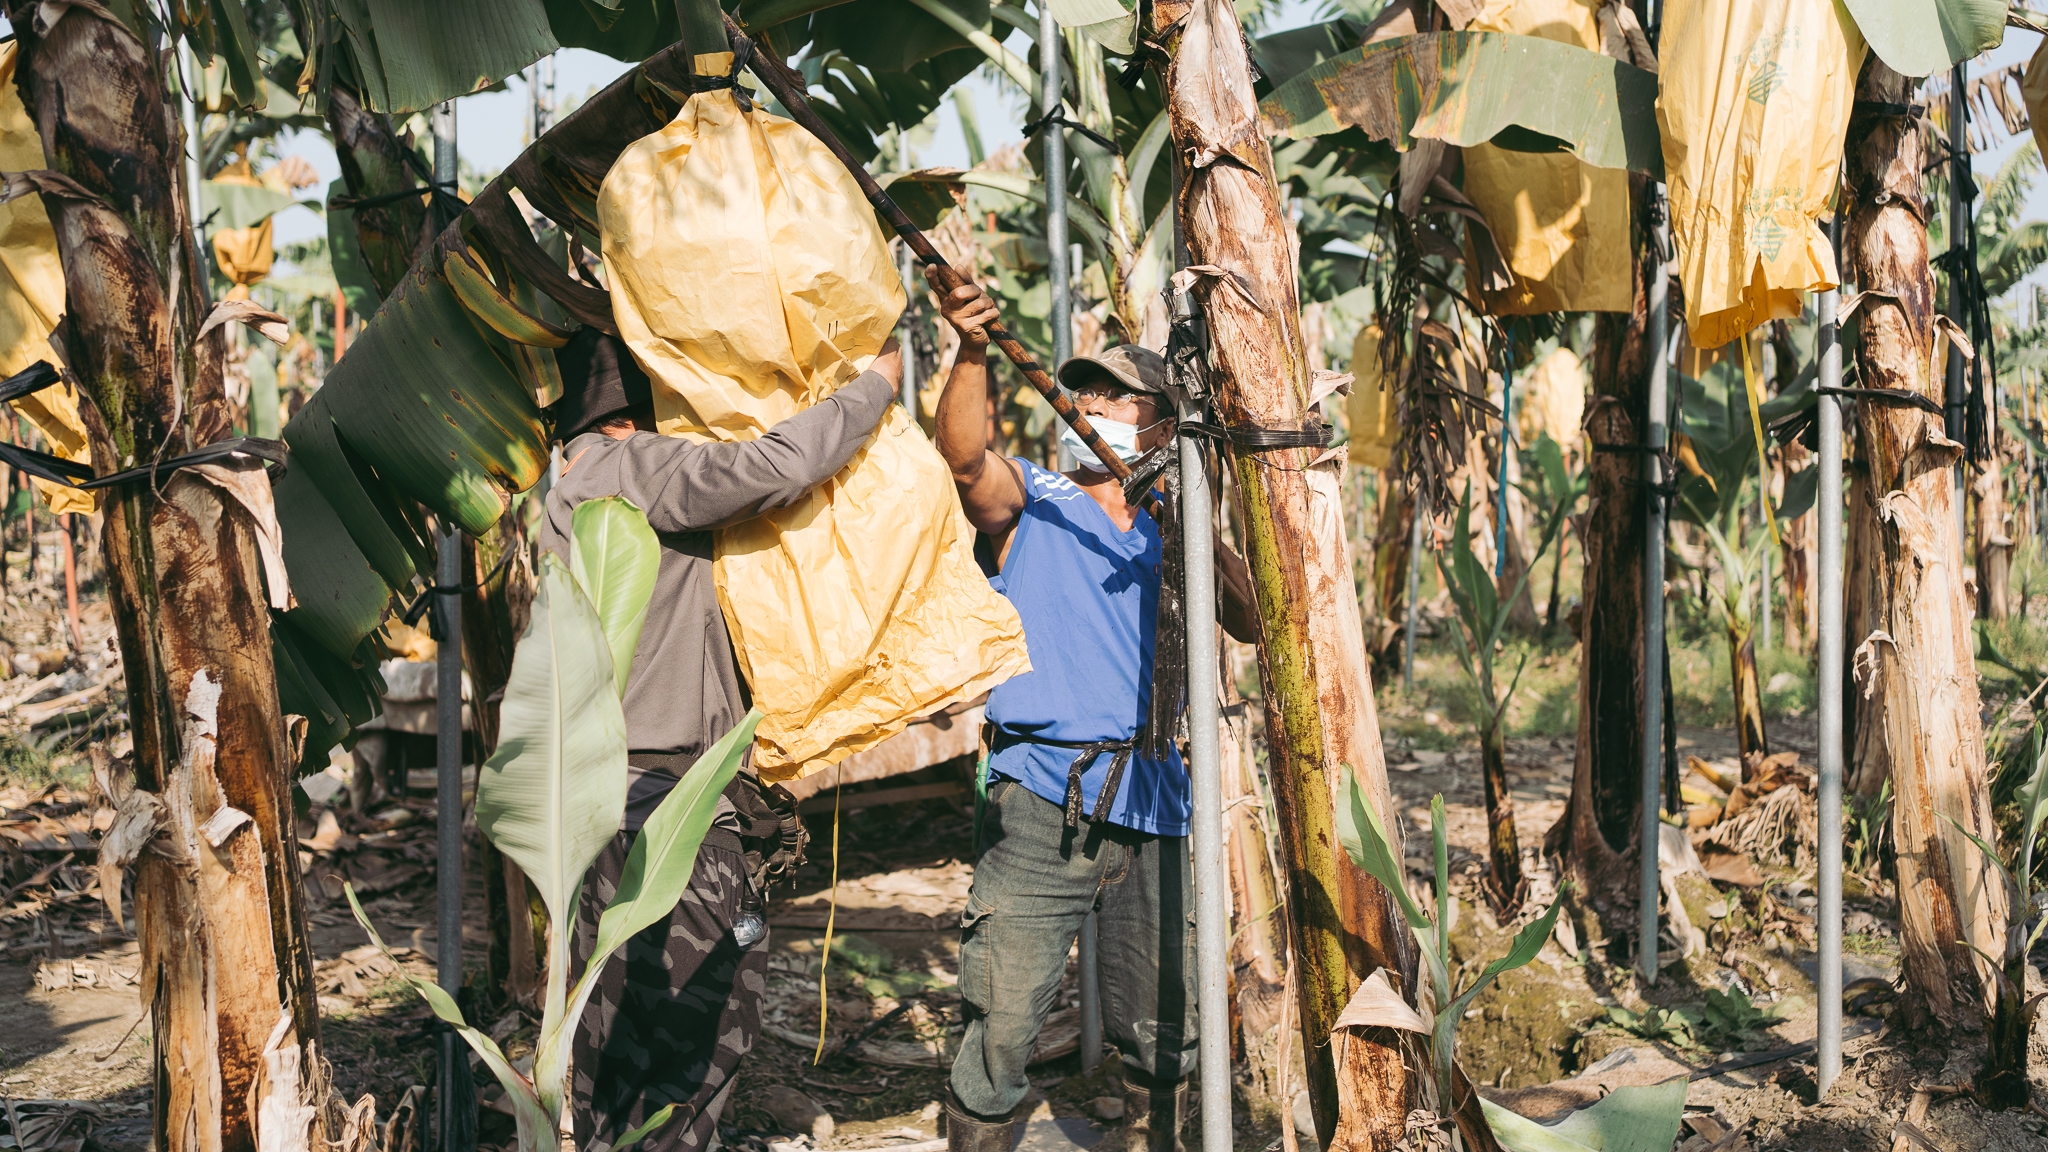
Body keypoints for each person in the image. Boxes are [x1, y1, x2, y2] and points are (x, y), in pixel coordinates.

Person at [538, 327, 904, 1152]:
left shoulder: (575, 486)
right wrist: (873, 386)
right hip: (661, 799)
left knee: (624, 1031)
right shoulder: (627, 467)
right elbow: (768, 468)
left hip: (617, 794)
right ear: (638, 414)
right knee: (694, 1032)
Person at [927, 269, 1256, 1152]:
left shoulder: (1172, 529)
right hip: (1043, 799)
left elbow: (1254, 619)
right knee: (999, 1023)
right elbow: (964, 460)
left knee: (1167, 1019)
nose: (1096, 404)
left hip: (1155, 803)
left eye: (1119, 394)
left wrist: (1191, 513)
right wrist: (968, 345)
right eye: (1088, 392)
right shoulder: (1038, 497)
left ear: (1160, 424)